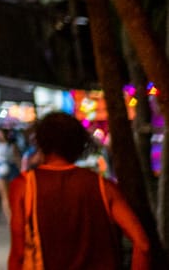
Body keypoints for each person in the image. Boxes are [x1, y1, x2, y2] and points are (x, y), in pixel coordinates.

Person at [8, 111, 150, 270]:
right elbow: (142, 244)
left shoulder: (24, 186)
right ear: (79, 145)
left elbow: (18, 253)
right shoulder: (103, 186)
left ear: (41, 144)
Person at [0, 127, 23, 224]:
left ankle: (16, 216)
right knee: (4, 195)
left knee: (13, 195)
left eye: (1, 133)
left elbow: (17, 159)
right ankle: (10, 219)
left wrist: (22, 171)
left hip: (12, 169)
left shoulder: (12, 145)